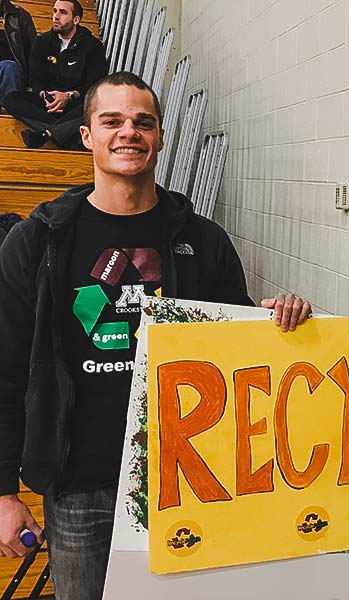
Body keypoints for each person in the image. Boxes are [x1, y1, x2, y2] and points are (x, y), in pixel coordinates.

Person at [0, 71, 312, 600]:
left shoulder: (203, 240)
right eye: (112, 121)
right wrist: (4, 491)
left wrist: (283, 321)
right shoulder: (38, 242)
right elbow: (6, 372)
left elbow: (241, 357)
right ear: (86, 135)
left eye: (143, 122)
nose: (129, 133)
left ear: (161, 135)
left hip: (187, 481)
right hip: (80, 485)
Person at [1, 0, 106, 148]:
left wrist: (69, 95)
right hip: (47, 104)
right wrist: (44, 95)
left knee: (95, 106)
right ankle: (64, 134)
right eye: (55, 11)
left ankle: (47, 134)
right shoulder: (42, 42)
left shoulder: (93, 47)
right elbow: (35, 77)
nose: (56, 16)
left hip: (75, 105)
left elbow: (95, 85)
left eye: (63, 12)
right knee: (11, 99)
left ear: (76, 19)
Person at [0, 0, 36, 102]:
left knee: (8, 67)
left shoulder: (20, 16)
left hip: (11, 72)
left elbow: (32, 53)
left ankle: (8, 109)